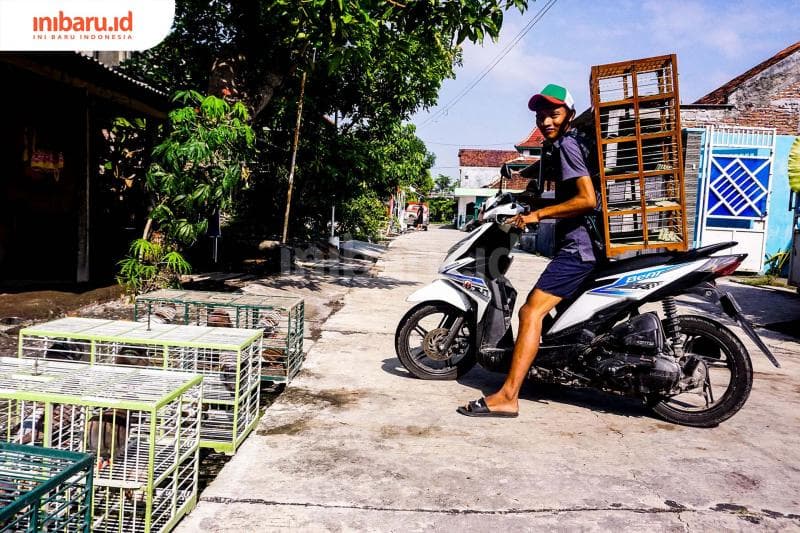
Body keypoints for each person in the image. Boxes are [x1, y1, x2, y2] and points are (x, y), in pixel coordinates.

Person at [457, 83, 601, 418]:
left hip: (579, 249)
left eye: (554, 113)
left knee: (530, 313)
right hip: (584, 245)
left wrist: (537, 214)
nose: (546, 121)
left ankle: (508, 395)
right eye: (541, 116)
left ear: (569, 115)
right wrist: (531, 202)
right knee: (552, 316)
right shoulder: (568, 143)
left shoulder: (568, 146)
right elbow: (570, 196)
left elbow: (586, 199)